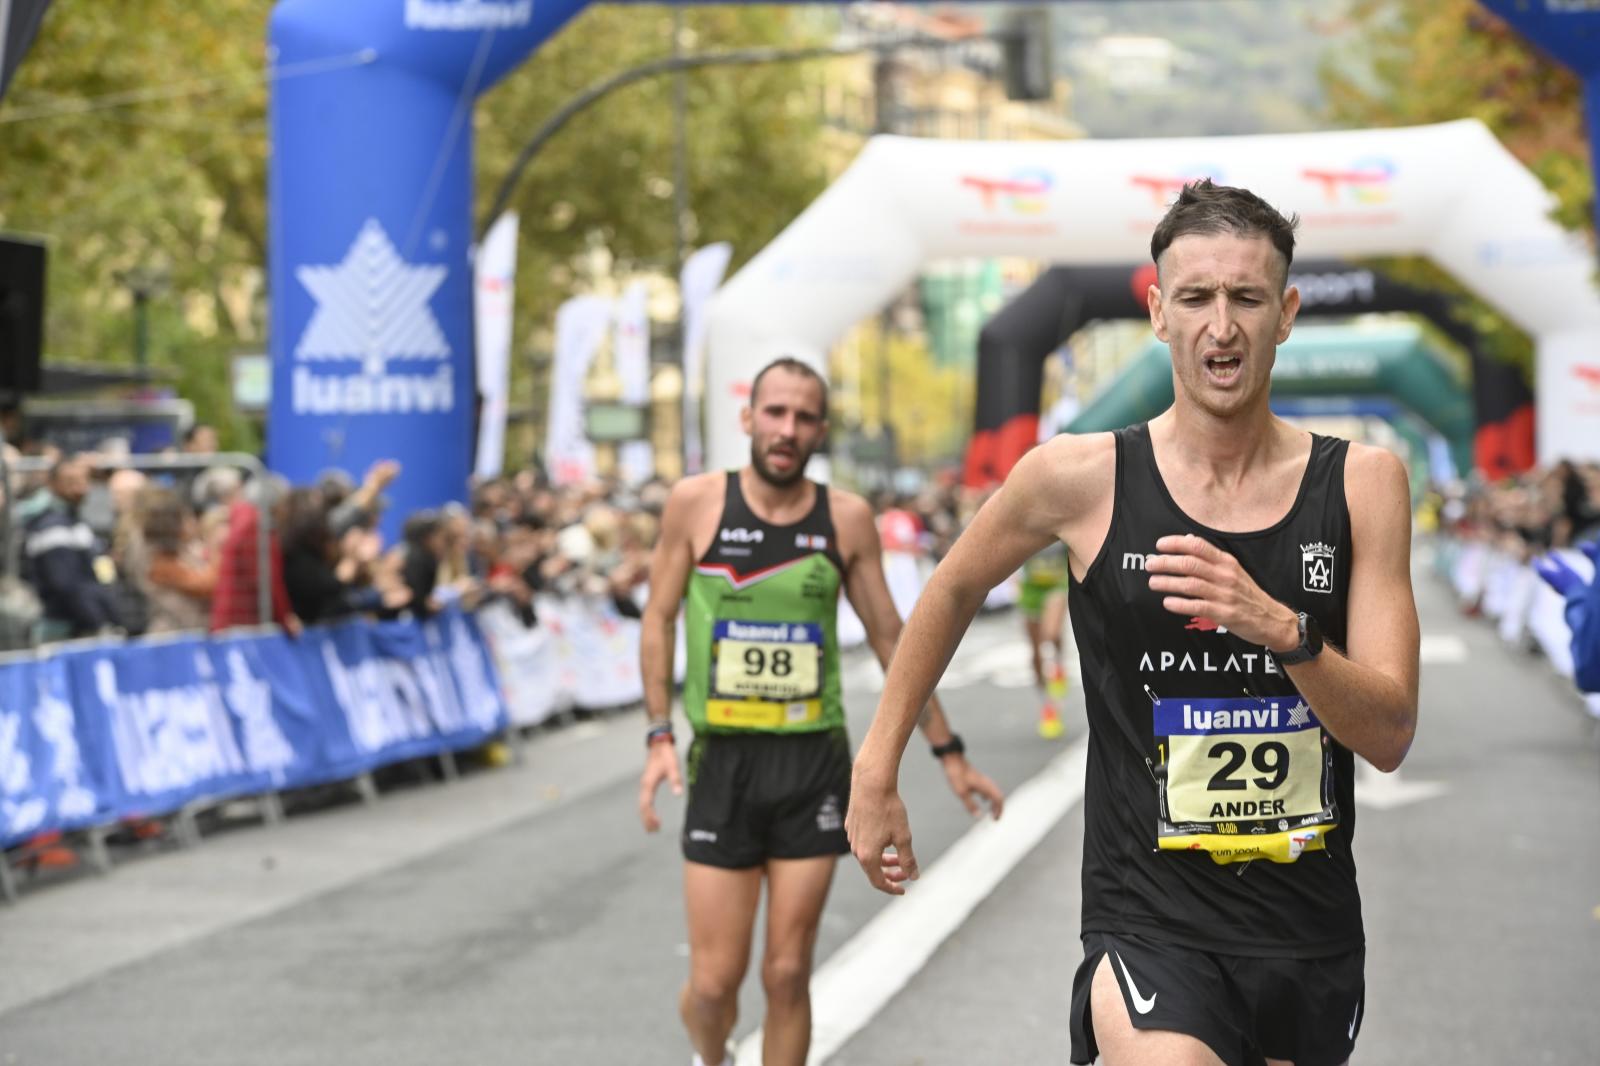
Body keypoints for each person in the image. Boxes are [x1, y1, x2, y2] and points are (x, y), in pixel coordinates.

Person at [846, 180, 1420, 1066]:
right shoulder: (1079, 479)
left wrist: (1283, 630)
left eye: (1245, 298)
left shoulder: (1362, 485)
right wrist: (878, 766)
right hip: (1146, 913)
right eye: (1195, 298)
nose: (1220, 326)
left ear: (1287, 313)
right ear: (1158, 312)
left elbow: (1387, 734)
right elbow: (951, 589)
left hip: (1307, 928)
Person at [638, 357, 1005, 1066]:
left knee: (786, 972)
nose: (787, 429)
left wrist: (948, 753)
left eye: (804, 417)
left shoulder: (844, 518)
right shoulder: (697, 503)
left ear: (821, 431)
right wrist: (658, 733)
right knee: (713, 986)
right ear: (748, 418)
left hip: (812, 763)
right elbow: (655, 618)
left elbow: (895, 640)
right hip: (725, 760)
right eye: (775, 412)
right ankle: (710, 1056)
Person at [1017, 541, 1071, 738]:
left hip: (1057, 584)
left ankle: (1058, 665)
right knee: (1036, 653)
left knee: (1051, 635)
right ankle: (1048, 706)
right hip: (1031, 590)